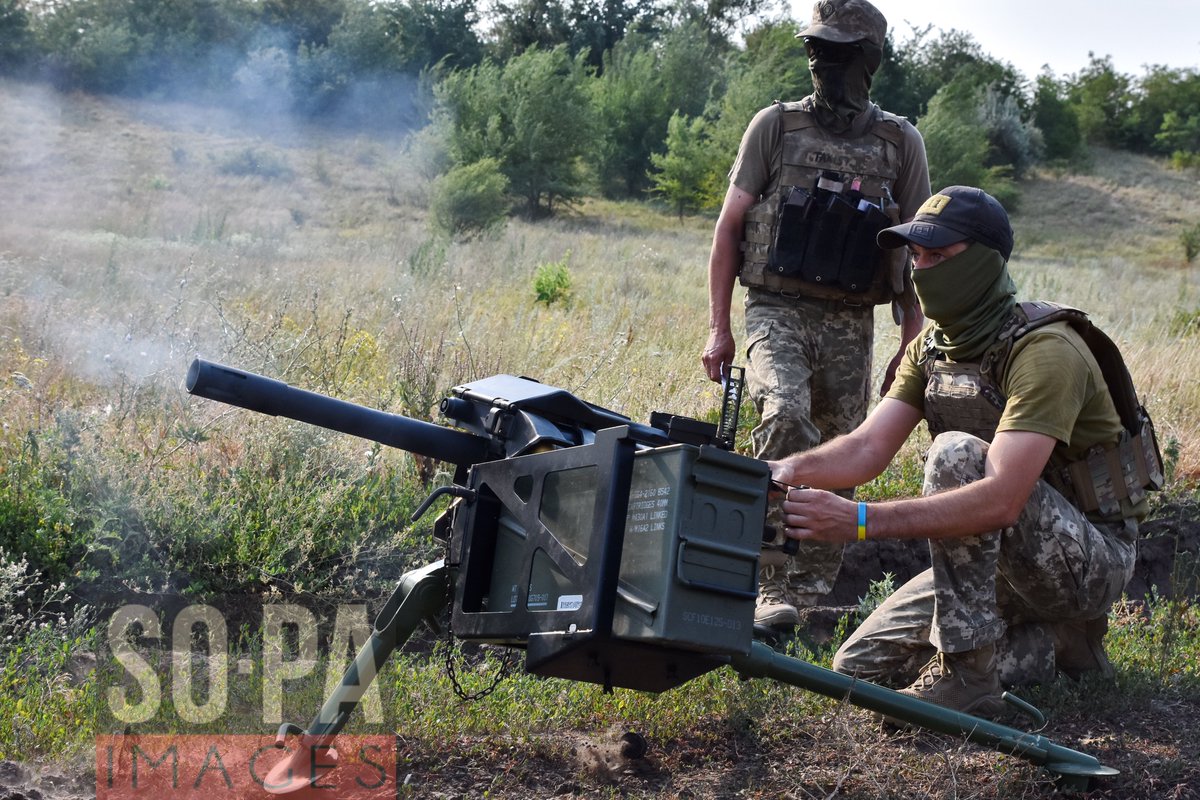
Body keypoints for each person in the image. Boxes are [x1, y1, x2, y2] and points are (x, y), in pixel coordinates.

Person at [767, 185, 1159, 717]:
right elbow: (866, 449)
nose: (921, 269)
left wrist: (858, 520)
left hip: (1086, 559)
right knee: (860, 666)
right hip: (995, 561)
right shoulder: (934, 347)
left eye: (939, 255)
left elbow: (1001, 501)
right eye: (917, 255)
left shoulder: (1045, 350)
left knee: (955, 454)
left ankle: (970, 675)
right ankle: (1060, 643)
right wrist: (777, 470)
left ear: (983, 262)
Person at [702, 0, 931, 632]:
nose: (822, 62)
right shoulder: (775, 127)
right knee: (785, 415)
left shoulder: (899, 143)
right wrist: (720, 328)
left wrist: (912, 344)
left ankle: (804, 596)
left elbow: (918, 247)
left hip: (853, 322)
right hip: (777, 309)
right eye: (816, 49)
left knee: (842, 449)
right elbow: (730, 227)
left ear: (869, 60)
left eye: (838, 51)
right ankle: (766, 583)